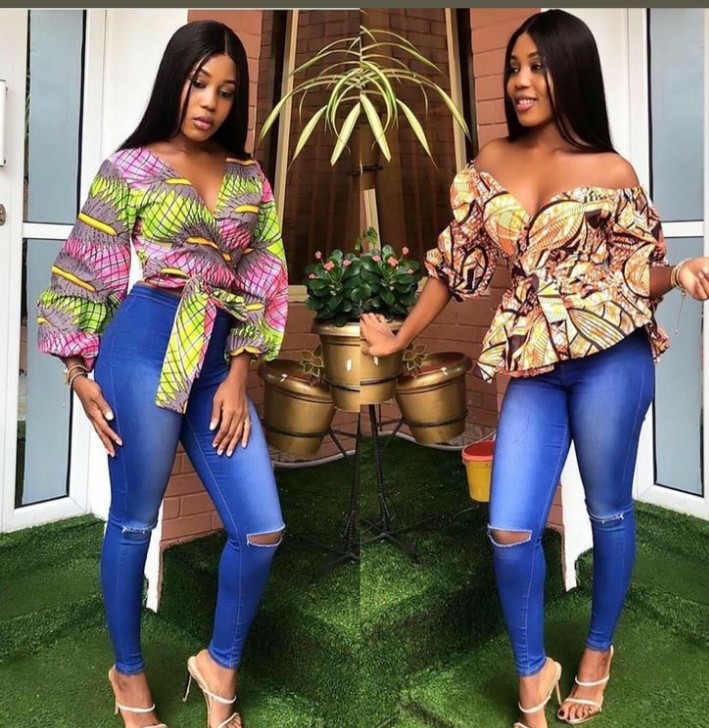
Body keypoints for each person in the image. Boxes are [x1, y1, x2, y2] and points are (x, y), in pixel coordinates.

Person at [361, 9, 709, 728]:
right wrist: (398, 338)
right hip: (532, 363)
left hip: (610, 357)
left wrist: (677, 275)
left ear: (569, 73)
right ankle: (533, 673)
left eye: (537, 66)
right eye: (514, 66)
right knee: (509, 528)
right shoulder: (488, 162)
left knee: (607, 509)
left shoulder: (610, 171)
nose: (520, 80)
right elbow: (452, 266)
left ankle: (597, 653)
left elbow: (633, 271)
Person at [37, 20, 288, 728]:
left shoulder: (248, 175)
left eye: (225, 91)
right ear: (175, 79)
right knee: (133, 524)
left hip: (217, 359)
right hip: (143, 347)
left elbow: (266, 272)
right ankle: (127, 673)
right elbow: (84, 267)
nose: (209, 101)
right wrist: (79, 370)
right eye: (198, 82)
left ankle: (218, 664)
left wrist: (239, 372)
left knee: (261, 529)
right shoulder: (130, 168)